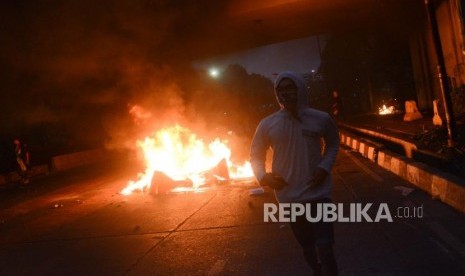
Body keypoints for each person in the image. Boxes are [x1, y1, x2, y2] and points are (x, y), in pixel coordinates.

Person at [250, 71, 339, 275]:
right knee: (308, 247)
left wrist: (324, 167)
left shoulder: (321, 118)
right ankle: (317, 271)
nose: (285, 93)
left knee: (325, 247)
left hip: (318, 194)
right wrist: (263, 176)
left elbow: (333, 143)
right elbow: (255, 154)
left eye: (290, 88)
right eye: (280, 90)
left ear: (300, 89)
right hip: (289, 197)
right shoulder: (267, 124)